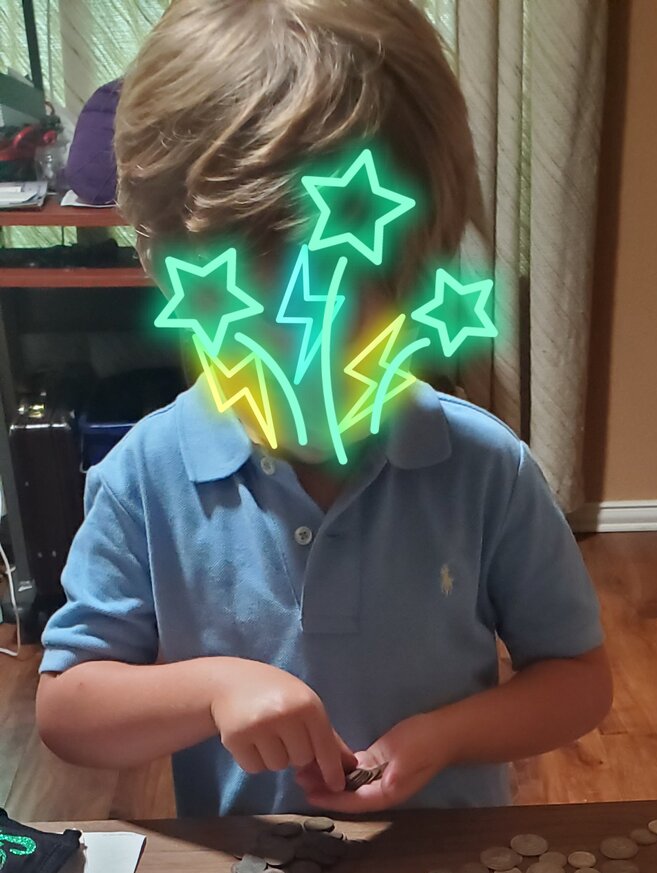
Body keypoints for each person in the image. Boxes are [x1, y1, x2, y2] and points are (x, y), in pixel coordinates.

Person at [36, 0, 611, 817]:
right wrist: (212, 689)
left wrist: (446, 735)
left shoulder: (487, 470)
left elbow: (577, 679)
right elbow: (68, 710)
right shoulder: (145, 476)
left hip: (449, 871)